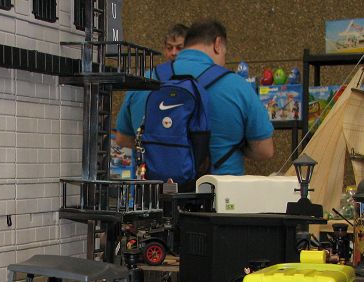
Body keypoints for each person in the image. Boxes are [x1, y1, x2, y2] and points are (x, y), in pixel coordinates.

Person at [115, 19, 274, 176]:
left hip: (155, 190)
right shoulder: (238, 86)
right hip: (219, 188)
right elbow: (265, 150)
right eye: (224, 54)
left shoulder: (143, 81)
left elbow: (123, 139)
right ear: (217, 44)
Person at [114, 23, 188, 149]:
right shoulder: (198, 82)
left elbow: (122, 139)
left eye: (179, 48)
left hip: (146, 160)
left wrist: (151, 149)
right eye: (170, 48)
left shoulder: (141, 81)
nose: (174, 53)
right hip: (185, 159)